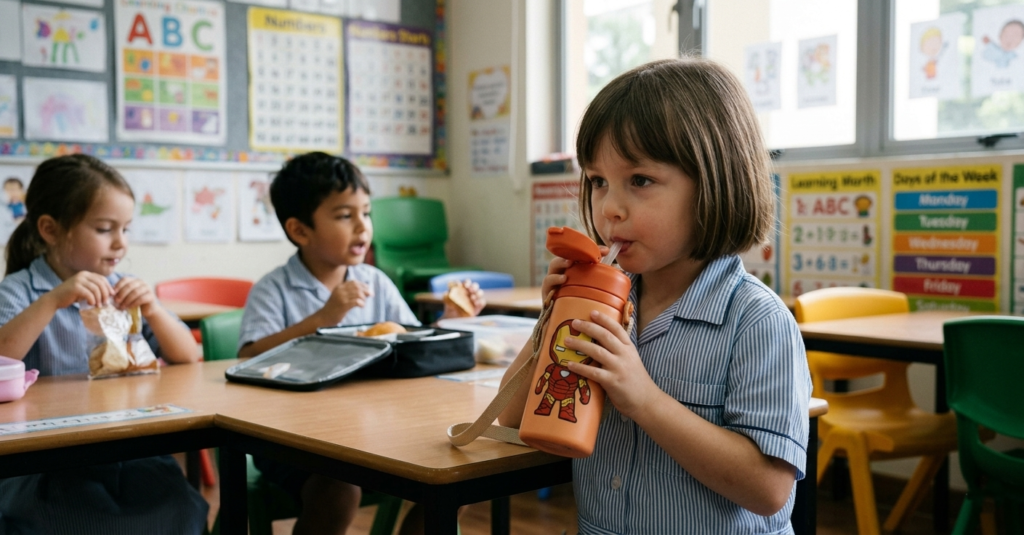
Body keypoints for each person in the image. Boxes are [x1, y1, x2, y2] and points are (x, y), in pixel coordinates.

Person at [498, 57, 811, 534]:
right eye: (599, 181)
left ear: (715, 182)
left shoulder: (756, 320)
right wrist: (552, 322)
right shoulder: (606, 306)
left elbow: (768, 489)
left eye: (639, 181)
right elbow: (508, 416)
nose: (609, 209)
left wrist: (644, 399)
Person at [238, 151, 484, 535]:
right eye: (344, 215)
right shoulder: (274, 290)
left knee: (460, 478)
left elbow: (409, 340)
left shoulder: (375, 281)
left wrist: (449, 320)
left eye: (365, 213)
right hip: (294, 441)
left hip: (371, 431)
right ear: (300, 230)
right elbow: (250, 357)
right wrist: (321, 320)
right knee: (339, 489)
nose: (362, 227)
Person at [0, 154, 207, 534]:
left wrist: (154, 309)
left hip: (127, 450)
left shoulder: (122, 289)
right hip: (46, 460)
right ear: (50, 229)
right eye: (105, 229)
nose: (120, 244)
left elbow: (188, 356)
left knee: (183, 507)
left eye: (126, 229)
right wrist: (52, 301)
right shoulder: (20, 290)